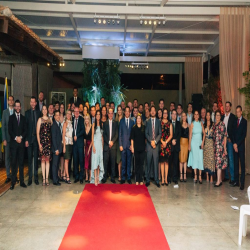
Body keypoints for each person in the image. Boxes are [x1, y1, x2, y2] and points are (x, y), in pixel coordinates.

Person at [8, 100, 27, 190]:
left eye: (19, 106)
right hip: (14, 144)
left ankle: (22, 181)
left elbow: (25, 130)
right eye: (16, 106)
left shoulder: (23, 118)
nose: (18, 108)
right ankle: (13, 182)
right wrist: (16, 138)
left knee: (21, 163)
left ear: (21, 107)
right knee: (14, 163)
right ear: (15, 107)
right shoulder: (11, 118)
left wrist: (21, 137)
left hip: (21, 145)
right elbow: (10, 130)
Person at [25, 96, 41, 186]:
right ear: (30, 103)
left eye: (34, 102)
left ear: (36, 103)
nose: (33, 104)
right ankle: (30, 178)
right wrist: (26, 139)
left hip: (36, 139)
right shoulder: (27, 113)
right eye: (31, 102)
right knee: (30, 159)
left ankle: (36, 178)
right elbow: (26, 128)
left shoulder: (39, 113)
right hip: (29, 139)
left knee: (36, 160)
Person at [145, 106, 161, 188]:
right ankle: (147, 180)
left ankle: (156, 180)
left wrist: (155, 142)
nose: (153, 112)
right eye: (152, 110)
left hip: (156, 145)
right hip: (149, 145)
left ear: (155, 112)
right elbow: (146, 133)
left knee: (155, 163)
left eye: (154, 110)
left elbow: (160, 134)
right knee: (148, 163)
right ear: (150, 112)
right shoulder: (147, 122)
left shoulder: (158, 121)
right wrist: (151, 141)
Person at [231, 105, 247, 190]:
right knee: (236, 164)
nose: (237, 113)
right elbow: (232, 133)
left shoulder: (244, 122)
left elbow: (243, 135)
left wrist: (237, 144)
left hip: (240, 147)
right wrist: (234, 144)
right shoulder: (234, 121)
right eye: (236, 111)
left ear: (241, 112)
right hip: (235, 146)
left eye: (238, 111)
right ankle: (236, 181)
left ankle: (242, 183)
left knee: (242, 165)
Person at [37, 105, 52, 186]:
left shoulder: (50, 120)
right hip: (42, 143)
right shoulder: (40, 120)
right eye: (43, 109)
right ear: (42, 111)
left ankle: (47, 178)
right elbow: (37, 133)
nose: (45, 110)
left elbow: (52, 132)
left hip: (49, 143)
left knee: (47, 161)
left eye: (45, 109)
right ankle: (43, 178)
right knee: (43, 160)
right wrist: (39, 144)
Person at [188, 110, 205, 184]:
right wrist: (189, 145)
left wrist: (203, 142)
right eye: (195, 114)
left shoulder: (201, 123)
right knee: (195, 159)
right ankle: (195, 176)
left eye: (197, 114)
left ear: (199, 115)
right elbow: (190, 135)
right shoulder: (192, 124)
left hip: (200, 143)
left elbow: (204, 134)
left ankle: (200, 176)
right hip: (193, 143)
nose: (196, 115)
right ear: (194, 116)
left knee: (200, 159)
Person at [102, 108, 118, 184]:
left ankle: (112, 177)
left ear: (113, 114)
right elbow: (104, 135)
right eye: (109, 113)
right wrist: (108, 142)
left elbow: (116, 134)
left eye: (112, 113)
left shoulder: (116, 123)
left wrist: (112, 142)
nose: (111, 114)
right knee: (105, 162)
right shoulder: (104, 123)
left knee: (113, 163)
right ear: (108, 114)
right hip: (106, 146)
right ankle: (104, 177)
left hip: (113, 146)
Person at [119, 106, 134, 184]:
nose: (127, 112)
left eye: (128, 111)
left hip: (129, 146)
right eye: (126, 111)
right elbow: (120, 134)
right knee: (123, 162)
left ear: (130, 112)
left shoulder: (132, 122)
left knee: (129, 162)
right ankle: (123, 177)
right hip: (123, 146)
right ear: (124, 112)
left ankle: (128, 177)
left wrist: (132, 145)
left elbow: (133, 135)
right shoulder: (121, 121)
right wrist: (120, 145)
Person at [212, 110, 228, 187]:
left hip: (220, 147)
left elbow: (225, 136)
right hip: (215, 147)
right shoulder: (214, 125)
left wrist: (224, 147)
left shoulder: (222, 124)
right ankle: (220, 180)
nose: (217, 117)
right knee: (218, 164)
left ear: (220, 116)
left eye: (218, 115)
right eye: (216, 115)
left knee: (219, 164)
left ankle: (218, 181)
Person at [222, 101, 236, 183]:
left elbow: (234, 129)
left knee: (230, 158)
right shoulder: (223, 117)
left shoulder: (233, 117)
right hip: (223, 141)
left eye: (228, 106)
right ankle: (226, 176)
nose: (227, 107)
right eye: (226, 106)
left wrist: (231, 138)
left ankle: (233, 178)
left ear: (230, 107)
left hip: (229, 141)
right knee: (225, 158)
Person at [2, 95, 14, 183]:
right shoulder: (4, 112)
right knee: (7, 158)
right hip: (7, 139)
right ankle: (8, 176)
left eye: (11, 100)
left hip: (14, 139)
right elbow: (3, 127)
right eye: (9, 100)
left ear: (13, 102)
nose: (10, 101)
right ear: (8, 101)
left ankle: (14, 175)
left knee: (14, 157)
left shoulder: (15, 111)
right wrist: (4, 139)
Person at [130, 115, 146, 185]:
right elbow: (132, 139)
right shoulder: (134, 128)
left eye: (140, 118)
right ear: (136, 120)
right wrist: (132, 147)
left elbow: (145, 138)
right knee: (136, 164)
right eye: (137, 118)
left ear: (141, 120)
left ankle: (141, 179)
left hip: (142, 149)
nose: (138, 120)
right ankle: (137, 179)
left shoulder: (144, 128)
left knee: (141, 164)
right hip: (136, 149)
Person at [159, 108, 173, 186]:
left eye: (166, 113)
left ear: (167, 115)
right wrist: (162, 142)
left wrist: (166, 142)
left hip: (167, 144)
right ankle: (163, 179)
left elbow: (171, 135)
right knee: (161, 162)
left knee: (166, 162)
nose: (164, 114)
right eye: (163, 113)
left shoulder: (170, 123)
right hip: (161, 144)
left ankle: (166, 179)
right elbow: (158, 133)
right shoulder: (160, 123)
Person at [90, 110, 104, 186]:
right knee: (95, 161)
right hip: (95, 144)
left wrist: (102, 146)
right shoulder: (93, 125)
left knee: (99, 161)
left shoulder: (101, 124)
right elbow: (92, 136)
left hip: (100, 145)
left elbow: (102, 137)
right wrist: (93, 146)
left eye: (99, 114)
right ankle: (95, 178)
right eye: (97, 114)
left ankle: (98, 177)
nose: (98, 115)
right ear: (95, 116)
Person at [72, 107, 85, 184]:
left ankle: (81, 177)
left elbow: (83, 130)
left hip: (80, 143)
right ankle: (76, 176)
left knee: (81, 160)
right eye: (75, 111)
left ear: (79, 112)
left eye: (78, 111)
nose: (76, 113)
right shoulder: (72, 119)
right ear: (73, 112)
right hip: (74, 144)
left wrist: (77, 135)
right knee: (75, 160)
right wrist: (74, 135)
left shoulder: (81, 119)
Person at [169, 109, 181, 184]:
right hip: (170, 146)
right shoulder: (169, 123)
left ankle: (175, 178)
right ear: (171, 115)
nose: (174, 115)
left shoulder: (179, 123)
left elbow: (180, 134)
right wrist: (171, 140)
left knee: (176, 163)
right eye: (172, 114)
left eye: (175, 114)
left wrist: (175, 140)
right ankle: (169, 178)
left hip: (176, 146)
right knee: (170, 163)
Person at [203, 111, 215, 183]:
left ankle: (211, 176)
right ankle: (207, 175)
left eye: (208, 115)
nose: (207, 116)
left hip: (211, 143)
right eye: (206, 115)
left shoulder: (213, 124)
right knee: (206, 160)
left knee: (211, 160)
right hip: (206, 144)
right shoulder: (203, 125)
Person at [51, 110, 63, 186]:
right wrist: (56, 149)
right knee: (55, 165)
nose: (58, 116)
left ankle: (56, 178)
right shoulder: (54, 125)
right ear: (54, 117)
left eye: (59, 115)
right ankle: (55, 180)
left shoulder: (58, 124)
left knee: (57, 164)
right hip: (56, 149)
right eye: (57, 115)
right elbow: (53, 138)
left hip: (58, 148)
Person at [62, 109, 73, 184]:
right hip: (66, 143)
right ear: (66, 115)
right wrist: (64, 146)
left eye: (70, 114)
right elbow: (63, 135)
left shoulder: (71, 124)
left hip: (71, 143)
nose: (69, 115)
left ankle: (65, 175)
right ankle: (67, 177)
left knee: (68, 160)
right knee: (66, 160)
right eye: (67, 114)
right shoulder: (65, 123)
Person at [179, 112, 189, 182]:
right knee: (181, 160)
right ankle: (181, 175)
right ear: (181, 118)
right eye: (182, 116)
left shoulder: (189, 125)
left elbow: (190, 135)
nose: (184, 117)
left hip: (186, 143)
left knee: (185, 159)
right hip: (181, 142)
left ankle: (185, 175)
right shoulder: (180, 125)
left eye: (185, 116)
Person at [116, 105, 124, 182]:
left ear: (122, 111)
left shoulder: (124, 119)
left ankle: (123, 174)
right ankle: (119, 175)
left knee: (123, 159)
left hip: (124, 141)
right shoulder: (115, 120)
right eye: (118, 110)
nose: (119, 111)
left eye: (120, 110)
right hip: (117, 141)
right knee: (118, 159)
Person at [58, 103, 65, 181]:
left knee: (63, 158)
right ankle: (58, 173)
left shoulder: (65, 118)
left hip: (64, 141)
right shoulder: (57, 117)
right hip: (58, 141)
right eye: (61, 108)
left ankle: (63, 173)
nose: (62, 109)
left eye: (63, 108)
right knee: (58, 158)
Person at [84, 115, 92, 182]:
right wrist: (84, 147)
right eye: (85, 119)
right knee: (85, 160)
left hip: (91, 145)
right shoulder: (84, 128)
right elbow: (84, 139)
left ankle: (90, 176)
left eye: (87, 119)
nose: (86, 120)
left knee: (90, 160)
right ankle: (86, 175)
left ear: (89, 119)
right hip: (85, 145)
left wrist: (89, 148)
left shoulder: (92, 127)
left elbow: (92, 139)